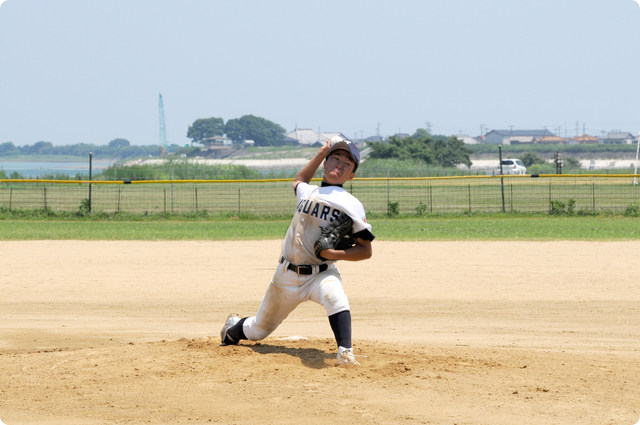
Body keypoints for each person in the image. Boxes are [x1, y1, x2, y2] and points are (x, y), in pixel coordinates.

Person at [220, 136, 375, 365]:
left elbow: (365, 250)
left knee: (335, 297)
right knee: (258, 329)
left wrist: (334, 255)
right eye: (335, 158)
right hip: (286, 276)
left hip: (321, 274)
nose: (339, 165)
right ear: (326, 163)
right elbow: (300, 179)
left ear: (351, 175)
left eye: (347, 163)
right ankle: (232, 329)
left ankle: (345, 352)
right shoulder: (308, 191)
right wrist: (321, 153)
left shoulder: (351, 204)